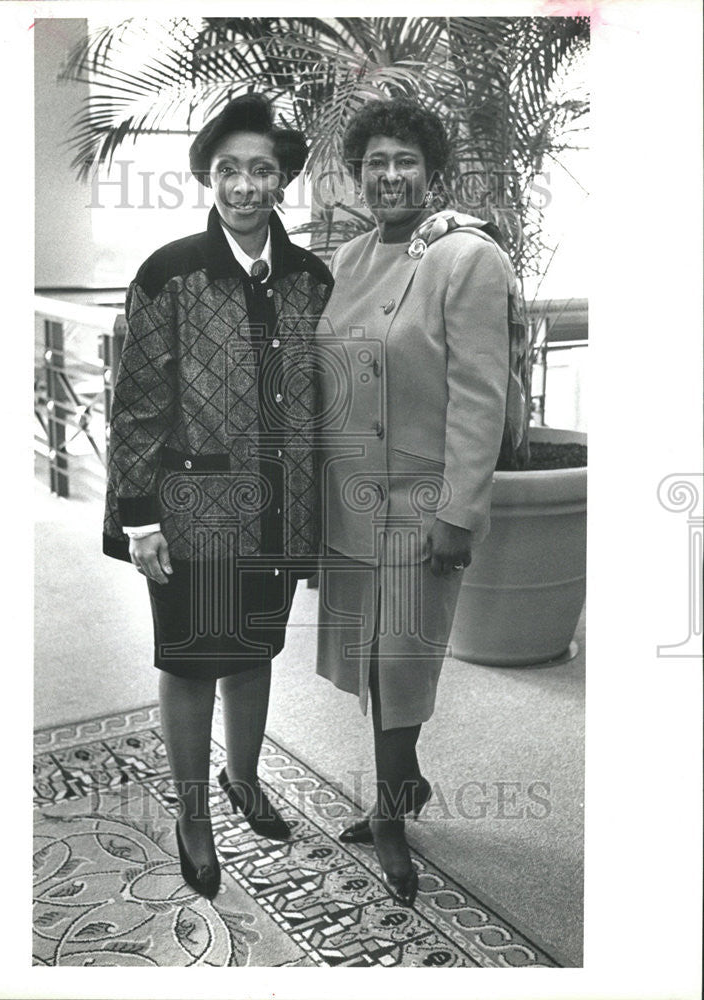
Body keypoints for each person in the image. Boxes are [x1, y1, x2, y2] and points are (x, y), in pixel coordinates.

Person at [103, 95, 332, 899]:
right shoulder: (170, 273)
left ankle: (243, 778)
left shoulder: (310, 279)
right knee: (196, 660)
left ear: (283, 179)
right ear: (208, 175)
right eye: (229, 169)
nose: (244, 185)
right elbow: (133, 402)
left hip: (278, 508)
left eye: (261, 170)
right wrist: (139, 517)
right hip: (189, 512)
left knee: (256, 649)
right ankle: (195, 814)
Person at [316, 97, 512, 905]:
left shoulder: (468, 257)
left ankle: (392, 811)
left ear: (433, 172)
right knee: (369, 659)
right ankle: (409, 781)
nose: (389, 175)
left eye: (405, 161)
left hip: (421, 495)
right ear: (357, 176)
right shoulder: (351, 256)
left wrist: (459, 510)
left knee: (401, 659)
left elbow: (479, 394)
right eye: (374, 164)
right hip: (350, 495)